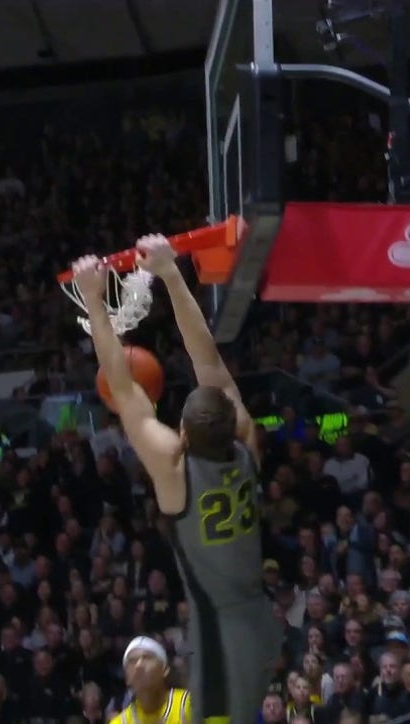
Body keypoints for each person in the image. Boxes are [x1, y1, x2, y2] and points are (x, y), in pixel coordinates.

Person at [71, 233, 278, 724]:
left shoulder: (174, 467)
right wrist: (169, 273)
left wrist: (94, 299)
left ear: (181, 432)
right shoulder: (247, 440)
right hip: (258, 617)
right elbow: (207, 360)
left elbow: (122, 389)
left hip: (223, 631)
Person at [108, 636, 192, 724]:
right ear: (127, 678)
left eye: (146, 658)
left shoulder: (190, 705)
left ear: (165, 669)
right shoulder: (119, 722)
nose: (138, 665)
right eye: (132, 661)